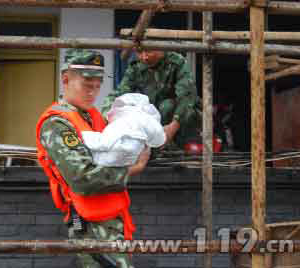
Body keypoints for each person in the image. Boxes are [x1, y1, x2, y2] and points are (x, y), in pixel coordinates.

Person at [36, 48, 150, 268]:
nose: (93, 93)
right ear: (66, 79)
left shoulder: (92, 116)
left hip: (110, 221)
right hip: (90, 227)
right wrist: (132, 168)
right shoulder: (57, 123)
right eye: (87, 86)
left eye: (97, 86)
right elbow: (83, 177)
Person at [101, 50, 201, 150]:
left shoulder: (177, 63)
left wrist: (174, 126)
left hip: (181, 122)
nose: (145, 57)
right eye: (140, 53)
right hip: (155, 122)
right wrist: (105, 116)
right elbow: (119, 93)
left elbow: (187, 97)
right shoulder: (137, 66)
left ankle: (173, 147)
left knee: (167, 106)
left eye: (149, 51)